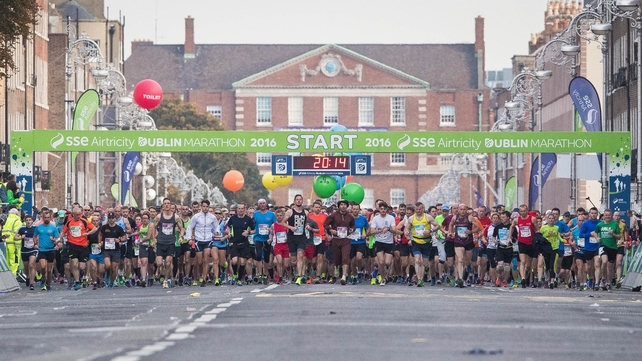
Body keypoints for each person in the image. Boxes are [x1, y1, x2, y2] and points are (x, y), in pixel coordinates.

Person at [60, 207, 97, 290]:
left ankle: (81, 274)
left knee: (82, 266)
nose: (78, 216)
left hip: (83, 246)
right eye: (76, 215)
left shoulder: (84, 221)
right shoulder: (69, 222)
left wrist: (87, 233)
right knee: (75, 263)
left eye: (79, 215)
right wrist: (58, 239)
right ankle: (77, 282)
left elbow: (94, 228)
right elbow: (63, 232)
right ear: (73, 214)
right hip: (72, 245)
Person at [405, 202, 440, 287]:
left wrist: (430, 231)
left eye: (420, 209)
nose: (418, 211)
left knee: (424, 263)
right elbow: (407, 228)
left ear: (423, 209)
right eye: (416, 209)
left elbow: (437, 226)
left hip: (426, 241)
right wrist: (406, 232)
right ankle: (419, 279)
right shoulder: (411, 218)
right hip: (416, 241)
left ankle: (423, 274)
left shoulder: (428, 217)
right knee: (417, 260)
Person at [186, 199, 217, 287]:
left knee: (206, 259)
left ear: (208, 207)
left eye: (207, 207)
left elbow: (217, 227)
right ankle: (197, 276)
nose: (205, 208)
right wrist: (189, 238)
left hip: (208, 239)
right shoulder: (196, 217)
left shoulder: (212, 217)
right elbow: (190, 227)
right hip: (198, 240)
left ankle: (204, 279)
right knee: (199, 262)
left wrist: (216, 232)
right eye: (203, 206)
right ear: (201, 207)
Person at [325, 200, 356, 285]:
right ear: (339, 206)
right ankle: (337, 269)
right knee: (337, 258)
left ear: (347, 206)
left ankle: (344, 276)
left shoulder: (350, 216)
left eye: (344, 205)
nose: (343, 206)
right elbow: (326, 224)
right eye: (341, 205)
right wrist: (331, 230)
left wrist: (352, 230)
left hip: (346, 239)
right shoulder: (334, 215)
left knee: (345, 257)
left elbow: (353, 225)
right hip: (336, 239)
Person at [155, 198, 184, 289]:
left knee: (168, 262)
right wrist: (153, 236)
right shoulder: (159, 217)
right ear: (163, 205)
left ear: (170, 205)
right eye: (165, 203)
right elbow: (153, 227)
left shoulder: (175, 217)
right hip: (160, 242)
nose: (167, 205)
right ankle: (161, 272)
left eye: (168, 203)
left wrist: (180, 236)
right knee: (159, 263)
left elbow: (182, 228)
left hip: (171, 242)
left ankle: (166, 280)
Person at [449, 203, 480, 288]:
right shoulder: (455, 217)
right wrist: (450, 232)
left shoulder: (470, 217)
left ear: (466, 210)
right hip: (458, 241)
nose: (462, 211)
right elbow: (451, 224)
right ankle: (460, 279)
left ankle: (464, 275)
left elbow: (478, 228)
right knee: (460, 259)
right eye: (461, 209)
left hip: (468, 241)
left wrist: (471, 231)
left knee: (466, 262)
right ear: (458, 210)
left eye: (464, 209)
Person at [369, 201, 398, 286]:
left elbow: (394, 230)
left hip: (389, 242)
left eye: (384, 209)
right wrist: (380, 230)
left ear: (387, 210)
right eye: (381, 209)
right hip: (379, 242)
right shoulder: (375, 219)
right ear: (379, 209)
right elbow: (372, 231)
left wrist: (388, 229)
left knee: (387, 262)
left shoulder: (391, 218)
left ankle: (385, 275)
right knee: (381, 262)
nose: (383, 211)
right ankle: (383, 278)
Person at [226, 203, 254, 286]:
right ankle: (234, 274)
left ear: (245, 209)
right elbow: (228, 227)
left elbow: (254, 230)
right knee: (234, 261)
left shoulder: (248, 219)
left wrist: (248, 232)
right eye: (239, 208)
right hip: (234, 242)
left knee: (242, 262)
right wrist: (229, 233)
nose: (241, 210)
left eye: (242, 208)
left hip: (244, 243)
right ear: (236, 210)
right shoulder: (232, 218)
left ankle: (239, 279)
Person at [284, 195, 309, 285]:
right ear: (294, 201)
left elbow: (305, 223)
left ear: (302, 201)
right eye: (297, 200)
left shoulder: (306, 212)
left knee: (300, 255)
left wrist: (306, 226)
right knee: (293, 260)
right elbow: (282, 222)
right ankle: (295, 271)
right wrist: (291, 227)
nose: (298, 201)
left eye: (300, 200)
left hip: (301, 237)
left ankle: (299, 276)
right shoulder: (290, 212)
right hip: (292, 237)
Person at [511, 204, 537, 288]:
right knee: (522, 261)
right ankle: (522, 278)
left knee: (529, 265)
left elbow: (538, 229)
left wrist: (538, 238)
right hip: (522, 242)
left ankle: (528, 276)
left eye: (524, 211)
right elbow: (511, 227)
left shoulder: (532, 219)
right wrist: (509, 237)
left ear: (527, 211)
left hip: (531, 243)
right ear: (519, 212)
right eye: (521, 211)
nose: (523, 213)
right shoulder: (516, 220)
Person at [594, 209, 621, 291]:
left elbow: (619, 236)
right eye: (606, 215)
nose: (607, 217)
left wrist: (612, 234)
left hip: (613, 247)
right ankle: (602, 279)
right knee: (604, 261)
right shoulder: (600, 225)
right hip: (603, 246)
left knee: (610, 266)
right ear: (604, 216)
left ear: (611, 215)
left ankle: (608, 282)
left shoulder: (615, 224)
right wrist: (597, 238)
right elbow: (595, 232)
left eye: (609, 215)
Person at [33, 210, 60, 291]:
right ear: (42, 218)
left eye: (48, 217)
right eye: (45, 218)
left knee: (49, 270)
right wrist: (35, 244)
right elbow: (34, 236)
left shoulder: (53, 228)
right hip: (42, 250)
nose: (47, 219)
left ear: (50, 217)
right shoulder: (39, 227)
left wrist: (54, 240)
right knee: (43, 266)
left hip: (51, 250)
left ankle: (48, 283)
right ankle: (43, 278)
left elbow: (57, 238)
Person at [252, 199, 276, 285]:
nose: (262, 205)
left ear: (266, 205)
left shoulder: (271, 214)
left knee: (266, 258)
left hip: (267, 238)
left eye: (263, 203)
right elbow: (252, 225)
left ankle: (265, 274)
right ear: (258, 205)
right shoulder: (255, 214)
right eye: (260, 204)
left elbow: (275, 225)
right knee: (258, 256)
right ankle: (259, 274)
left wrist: (272, 230)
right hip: (258, 238)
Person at [100, 212, 127, 290]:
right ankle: (107, 274)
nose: (111, 220)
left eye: (112, 218)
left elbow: (124, 238)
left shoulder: (118, 228)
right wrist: (100, 242)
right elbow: (100, 235)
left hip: (115, 250)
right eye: (110, 218)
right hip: (106, 250)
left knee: (114, 268)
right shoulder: (104, 227)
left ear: (115, 219)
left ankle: (111, 282)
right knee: (107, 265)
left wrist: (119, 240)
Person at [579, 207, 601, 290]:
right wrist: (589, 234)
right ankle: (591, 277)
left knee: (597, 265)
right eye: (592, 213)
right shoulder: (586, 224)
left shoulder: (600, 223)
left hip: (597, 247)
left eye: (595, 213)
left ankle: (596, 283)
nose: (594, 215)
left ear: (597, 214)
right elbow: (581, 235)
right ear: (589, 214)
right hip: (588, 247)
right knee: (589, 266)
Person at [349, 202, 370, 285]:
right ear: (351, 210)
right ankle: (354, 276)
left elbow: (368, 228)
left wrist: (366, 234)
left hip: (360, 241)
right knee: (353, 261)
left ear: (359, 210)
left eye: (357, 209)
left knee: (359, 258)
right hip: (351, 241)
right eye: (354, 209)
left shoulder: (363, 219)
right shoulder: (349, 219)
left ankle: (360, 271)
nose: (355, 211)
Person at [308, 201, 328, 284]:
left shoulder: (324, 216)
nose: (318, 209)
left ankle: (318, 276)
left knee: (320, 257)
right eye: (316, 207)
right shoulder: (309, 216)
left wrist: (327, 234)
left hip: (321, 238)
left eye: (319, 207)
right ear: (313, 208)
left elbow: (327, 226)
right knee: (312, 261)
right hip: (311, 239)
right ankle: (312, 271)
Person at [16, 214, 37, 290]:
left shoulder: (35, 228)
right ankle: (27, 277)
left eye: (30, 220)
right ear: (25, 221)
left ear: (32, 221)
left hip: (33, 249)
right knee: (26, 266)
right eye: (27, 220)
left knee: (31, 265)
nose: (28, 222)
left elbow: (40, 236)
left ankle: (32, 283)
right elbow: (15, 237)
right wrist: (20, 238)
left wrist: (37, 243)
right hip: (24, 250)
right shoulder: (21, 229)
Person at [271, 207, 290, 284]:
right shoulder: (273, 225)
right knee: (279, 261)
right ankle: (280, 277)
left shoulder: (287, 224)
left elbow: (290, 234)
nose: (279, 217)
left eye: (280, 215)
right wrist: (270, 239)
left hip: (286, 246)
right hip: (277, 246)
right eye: (277, 215)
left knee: (286, 264)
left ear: (283, 216)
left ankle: (290, 276)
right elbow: (271, 234)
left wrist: (288, 239)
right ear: (276, 216)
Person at [2, 207, 23, 275]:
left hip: (6, 243)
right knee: (14, 262)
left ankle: (8, 278)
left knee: (7, 262)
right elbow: (18, 234)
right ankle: (13, 277)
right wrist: (18, 246)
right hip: (14, 245)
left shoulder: (6, 220)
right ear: (17, 214)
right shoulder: (17, 221)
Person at [136, 211, 154, 287]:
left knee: (151, 265)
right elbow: (140, 234)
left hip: (150, 245)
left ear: (149, 219)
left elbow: (148, 237)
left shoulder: (151, 225)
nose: (144, 220)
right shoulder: (140, 226)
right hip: (143, 246)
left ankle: (151, 276)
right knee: (144, 262)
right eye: (143, 218)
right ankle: (143, 279)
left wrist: (140, 241)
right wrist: (138, 240)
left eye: (146, 218)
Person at [87, 211, 104, 290]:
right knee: (93, 267)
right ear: (91, 221)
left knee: (100, 269)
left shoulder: (102, 228)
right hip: (91, 250)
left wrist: (101, 243)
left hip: (101, 251)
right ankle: (95, 282)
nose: (95, 222)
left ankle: (100, 279)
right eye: (94, 221)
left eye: (97, 221)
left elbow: (105, 238)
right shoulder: (89, 229)